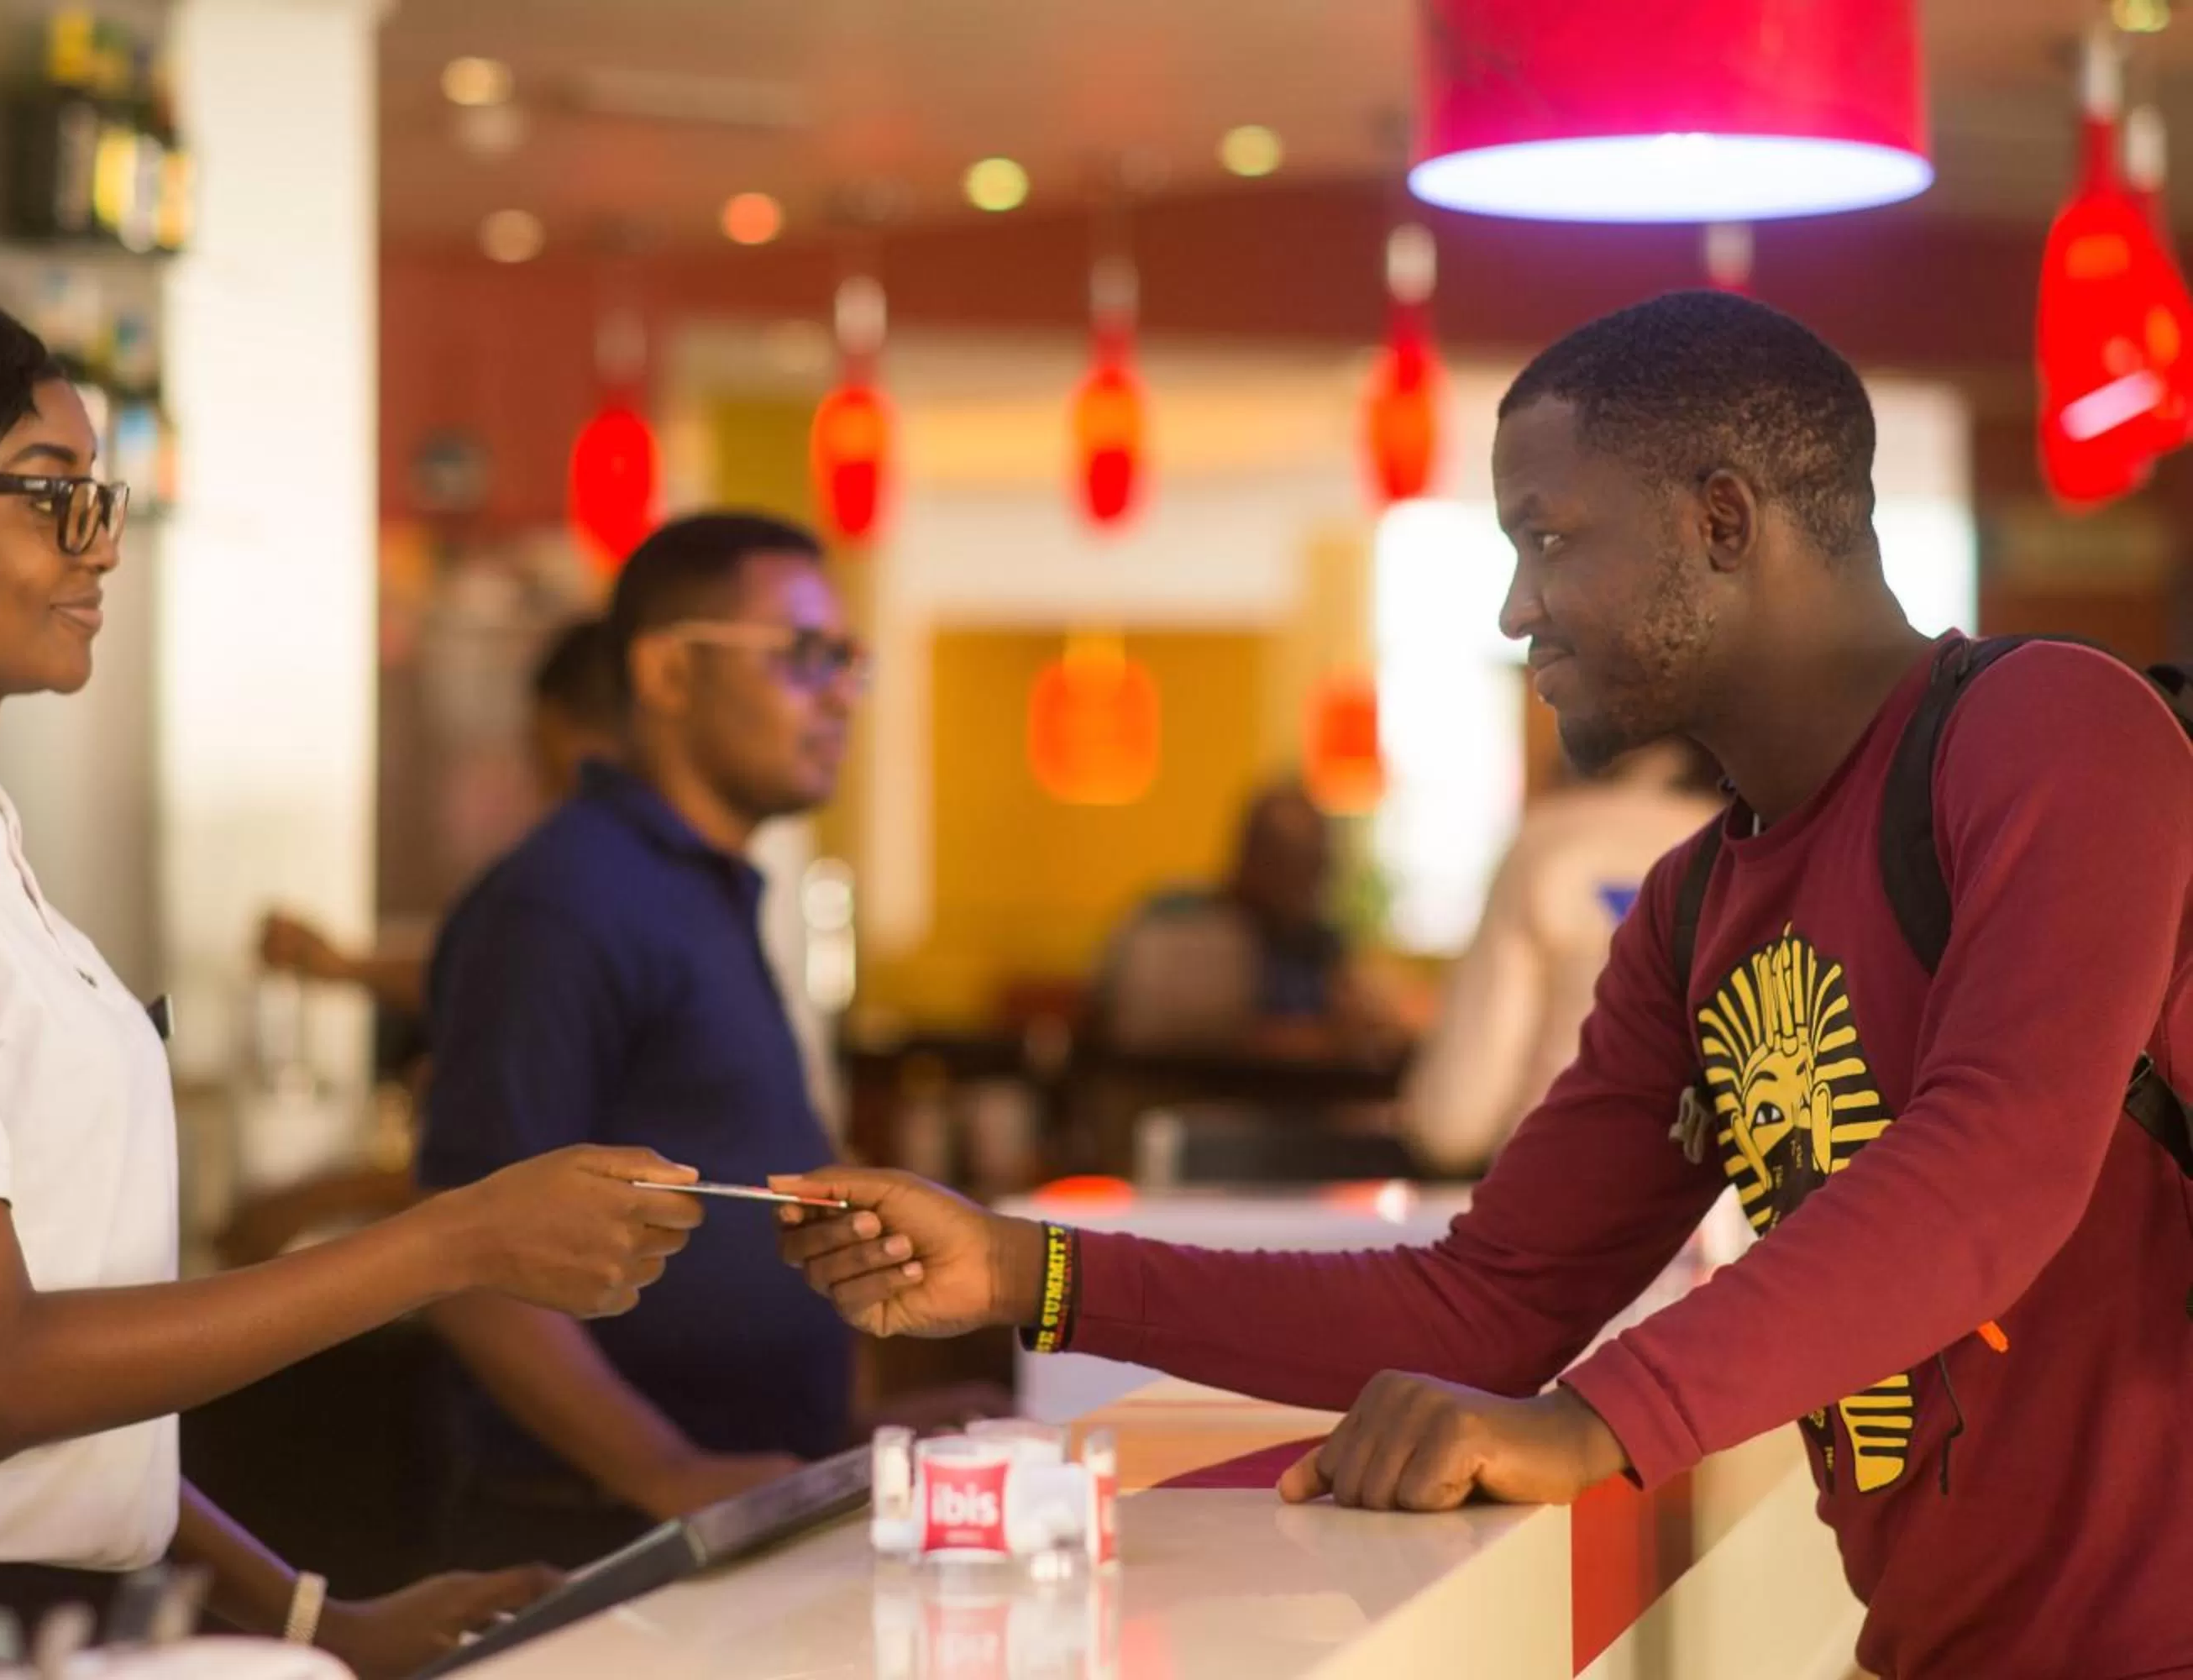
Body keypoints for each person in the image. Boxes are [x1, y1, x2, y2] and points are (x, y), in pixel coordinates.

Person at [772, 291, 2193, 1680]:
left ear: (1722, 522)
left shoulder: (2050, 727)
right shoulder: (1696, 910)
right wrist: (1021, 1269)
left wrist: (1592, 1424)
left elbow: (1992, 1170)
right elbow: (1491, 1303)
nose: (1520, 610)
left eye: (1546, 538)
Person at [0, 276, 715, 1680]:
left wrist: (310, 1616)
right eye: (51, 496)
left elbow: (79, 1406)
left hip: (28, 1617)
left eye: (101, 503)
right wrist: (454, 1239)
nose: (98, 549)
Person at [417, 512, 994, 1572]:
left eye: (849, 662)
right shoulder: (565, 897)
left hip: (731, 1507)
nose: (840, 695)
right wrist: (668, 1466)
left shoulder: (703, 888)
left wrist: (840, 1444)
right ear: (669, 669)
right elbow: (462, 1259)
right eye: (804, 655)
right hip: (596, 1536)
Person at [254, 616, 621, 1018]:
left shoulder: (588, 867)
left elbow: (494, 977)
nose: (540, 778)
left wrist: (341, 965)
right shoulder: (628, 863)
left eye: (543, 748)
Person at [1400, 738, 1725, 1173]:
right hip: (1727, 1213)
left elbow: (1455, 1120)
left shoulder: (1547, 844)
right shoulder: (1762, 845)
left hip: (1559, 1191)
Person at [1092, 782, 1404, 1060]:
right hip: (1181, 1112)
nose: (1312, 884)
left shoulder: (1314, 942)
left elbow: (1369, 1020)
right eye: (1293, 862)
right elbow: (1177, 1034)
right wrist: (1315, 1038)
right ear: (1250, 857)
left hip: (1291, 1116)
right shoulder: (1178, 926)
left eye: (1319, 865)